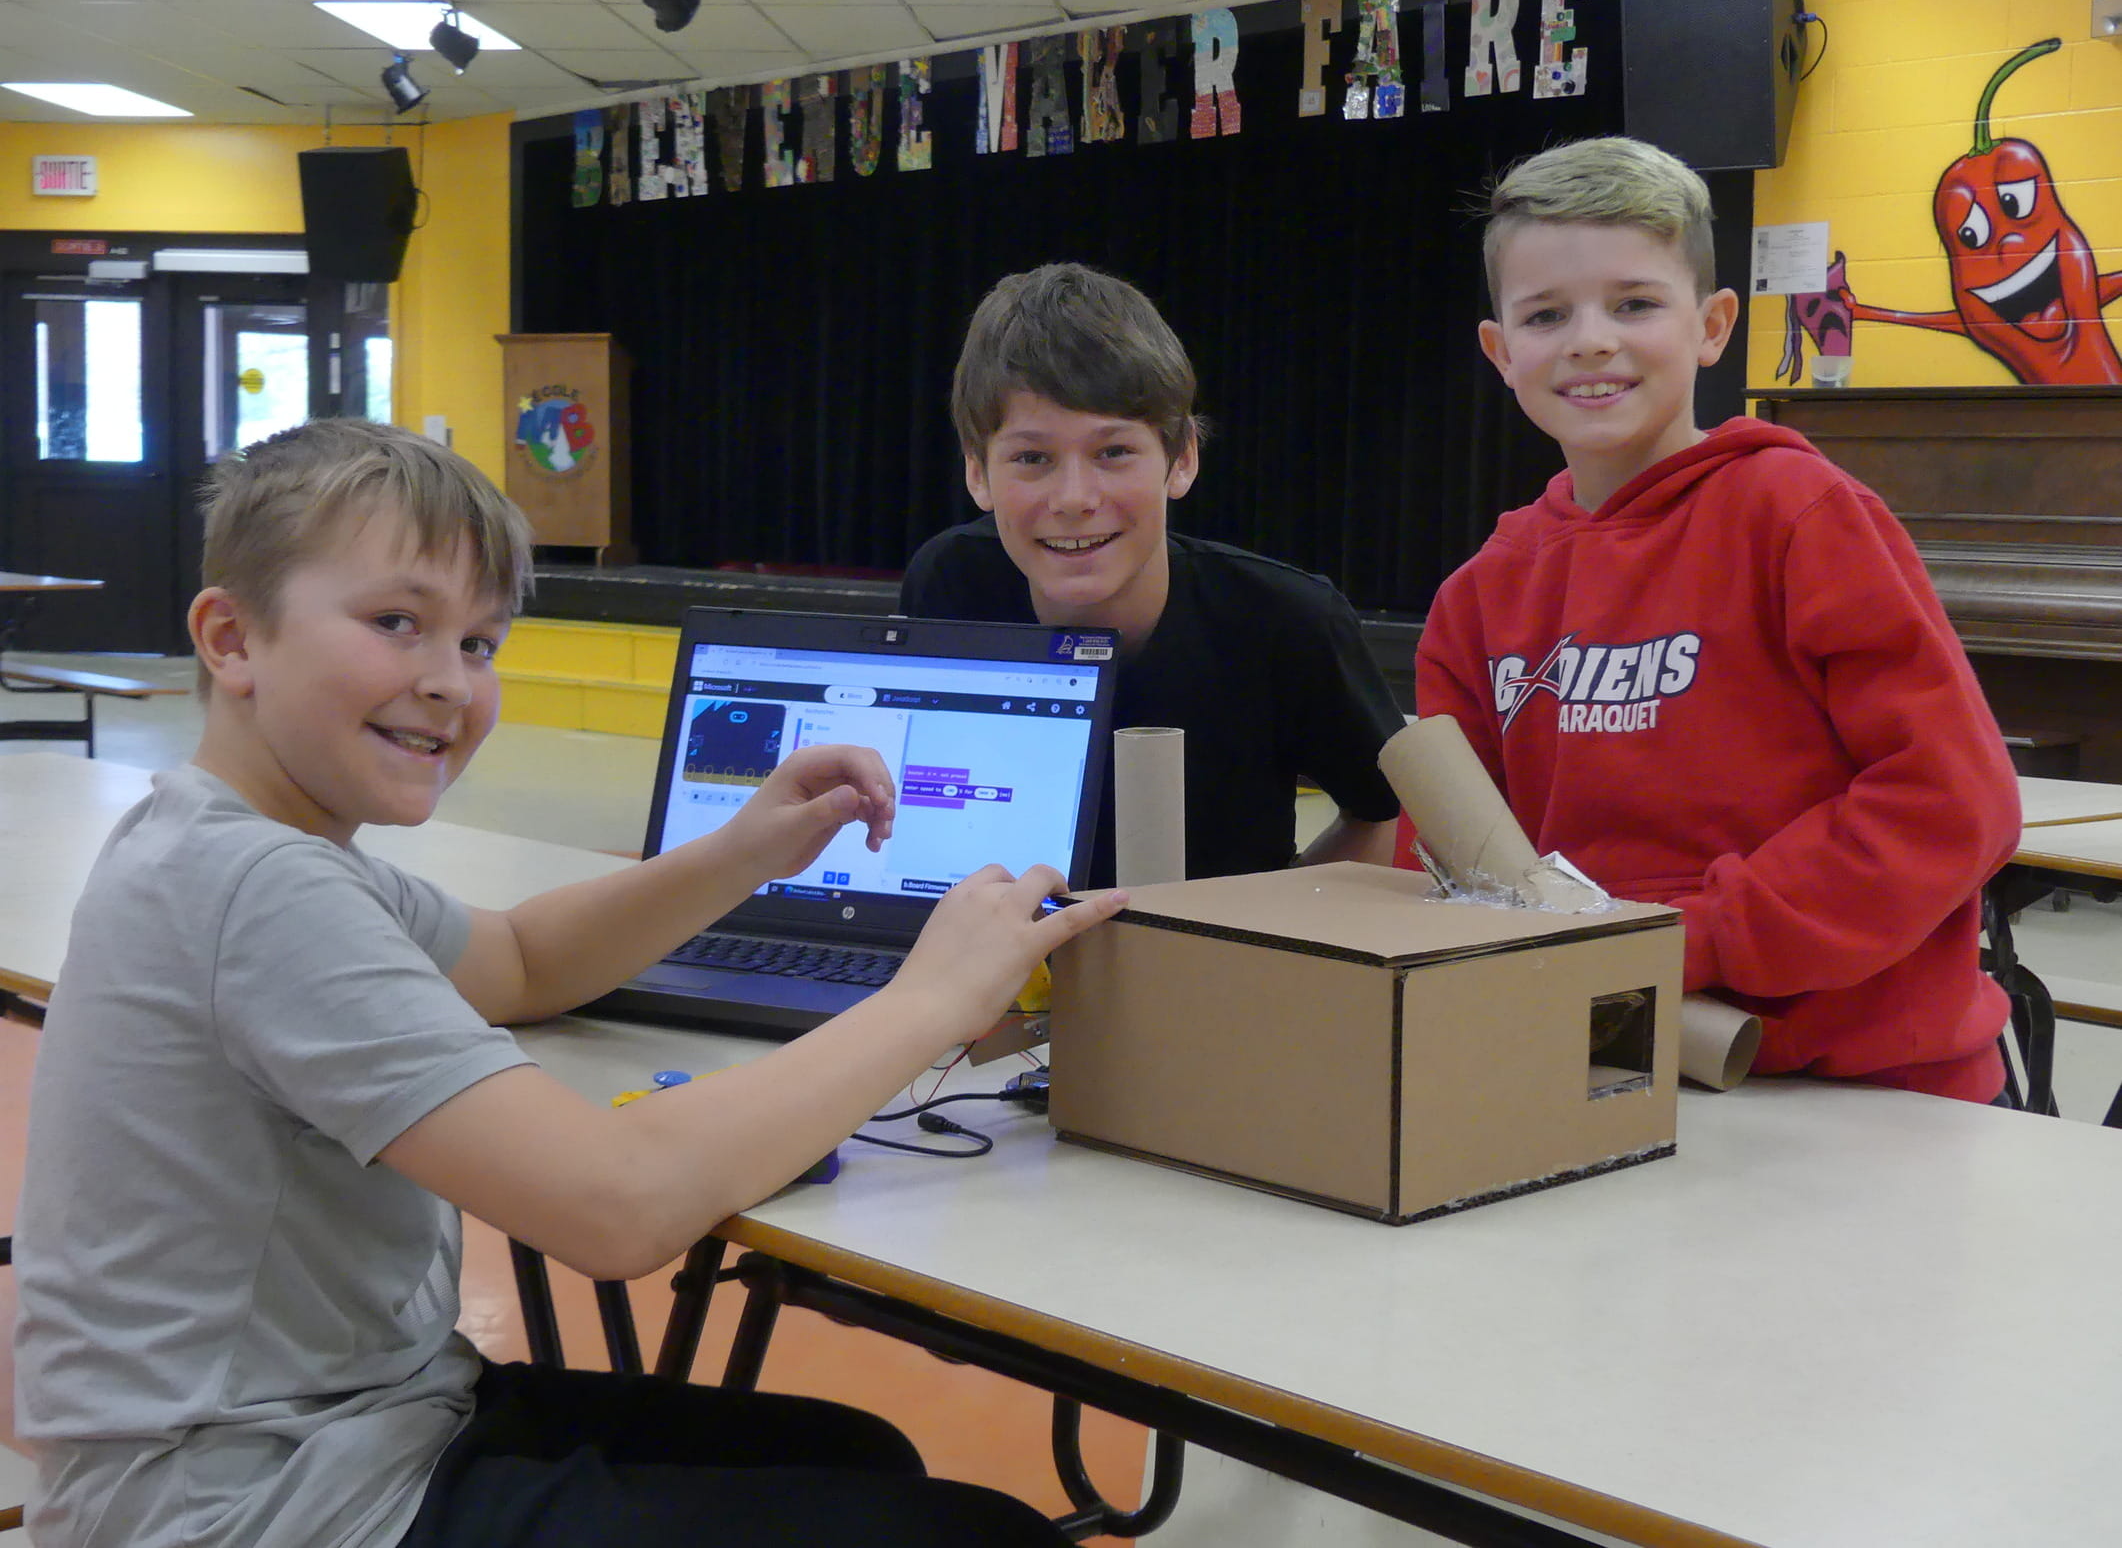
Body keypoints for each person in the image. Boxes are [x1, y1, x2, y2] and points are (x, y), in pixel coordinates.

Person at [11, 418, 1125, 1548]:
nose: (448, 684)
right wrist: (933, 998)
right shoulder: (256, 890)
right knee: (976, 1537)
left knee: (855, 1456)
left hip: (362, 1423)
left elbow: (524, 962)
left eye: (480, 644)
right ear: (231, 637)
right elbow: (616, 1204)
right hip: (255, 1508)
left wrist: (744, 848)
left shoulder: (240, 841)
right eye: (397, 623)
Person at [1415, 137, 2019, 1102]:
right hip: (1610, 1062)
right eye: (1545, 314)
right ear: (1501, 351)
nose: (1590, 339)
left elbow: (1951, 802)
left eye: (1635, 303)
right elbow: (1451, 855)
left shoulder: (1799, 514)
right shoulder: (1479, 595)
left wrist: (1689, 938)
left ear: (1712, 324)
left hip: (1868, 1085)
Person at [900, 262, 1406, 887]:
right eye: (1033, 458)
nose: (1075, 497)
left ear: (1182, 458)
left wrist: (1257, 940)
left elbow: (1381, 812)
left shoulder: (1289, 619)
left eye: (1113, 452)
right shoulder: (948, 583)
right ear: (978, 472)